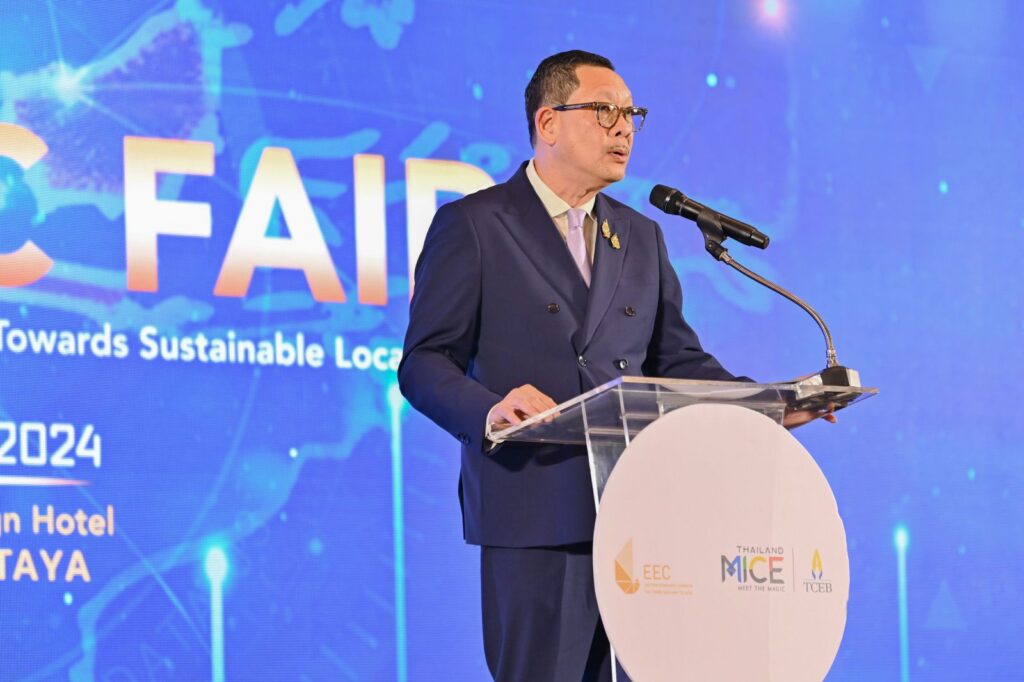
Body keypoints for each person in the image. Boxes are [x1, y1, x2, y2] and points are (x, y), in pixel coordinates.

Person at [399, 50, 821, 681]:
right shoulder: (475, 225)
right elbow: (424, 362)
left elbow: (676, 358)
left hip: (636, 510)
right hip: (535, 511)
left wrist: (769, 404)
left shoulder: (640, 235)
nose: (623, 128)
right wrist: (490, 410)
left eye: (631, 114)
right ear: (547, 122)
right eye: (604, 111)